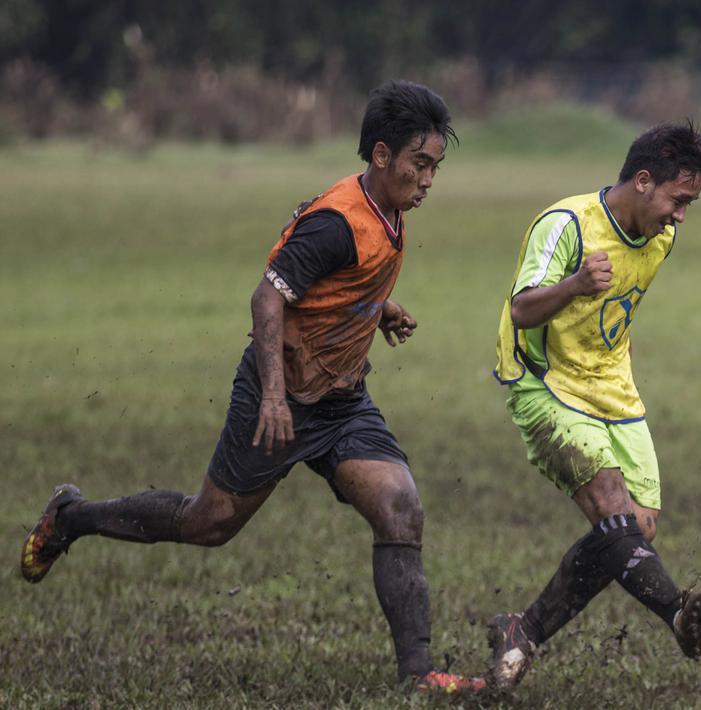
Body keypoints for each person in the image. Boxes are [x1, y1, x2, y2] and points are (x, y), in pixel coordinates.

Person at [20, 80, 485, 694]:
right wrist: (271, 396)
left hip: (341, 401)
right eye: (419, 165)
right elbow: (268, 297)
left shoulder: (388, 211)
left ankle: (418, 675)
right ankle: (72, 518)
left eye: (435, 168)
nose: (428, 180)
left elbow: (335, 285)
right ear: (381, 156)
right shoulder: (335, 223)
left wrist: (378, 308)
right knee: (206, 524)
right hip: (281, 397)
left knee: (400, 506)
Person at [485, 121, 701, 690]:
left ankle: (522, 631)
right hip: (542, 384)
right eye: (677, 199)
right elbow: (520, 311)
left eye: (691, 202)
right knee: (613, 509)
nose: (681, 214)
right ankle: (676, 613)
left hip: (612, 389)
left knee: (634, 530)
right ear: (643, 181)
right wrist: (574, 285)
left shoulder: (661, 238)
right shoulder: (565, 225)